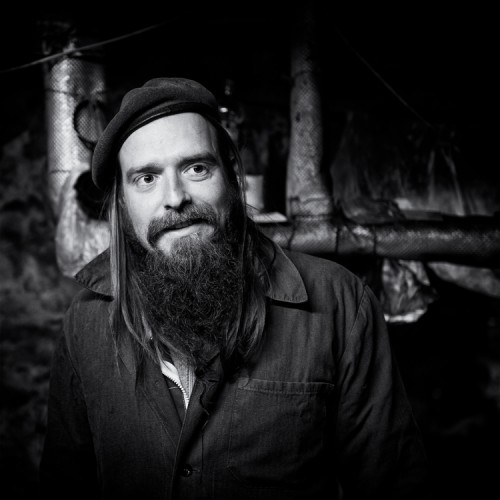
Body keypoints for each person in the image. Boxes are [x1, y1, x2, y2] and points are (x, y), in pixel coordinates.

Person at [40, 77, 430, 499]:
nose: (175, 198)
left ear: (231, 174)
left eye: (196, 168)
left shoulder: (340, 305)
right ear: (122, 201)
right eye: (147, 178)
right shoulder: (85, 323)